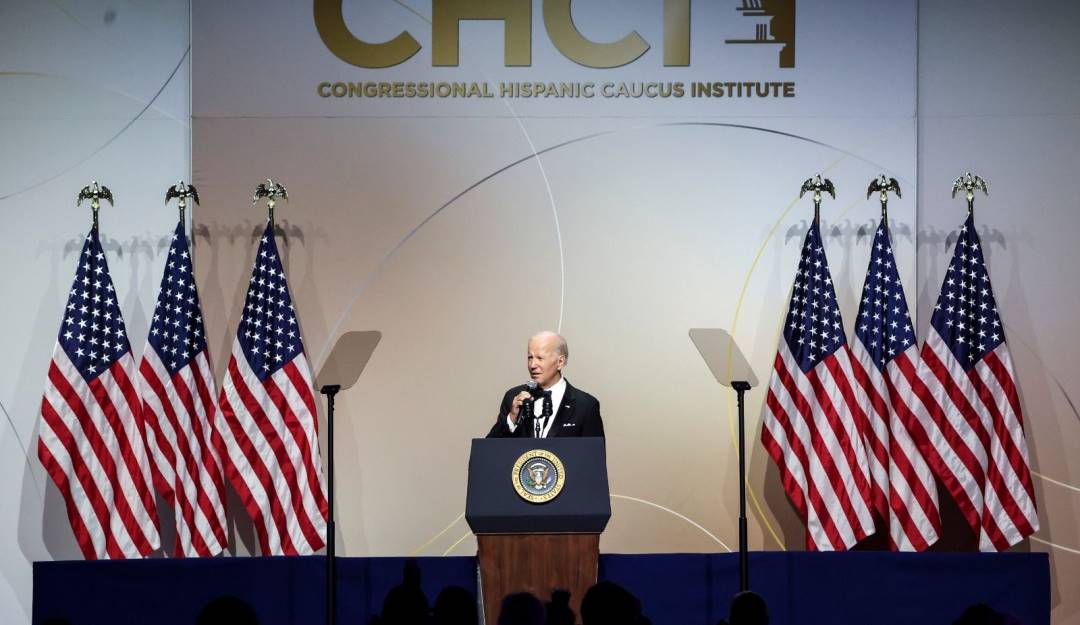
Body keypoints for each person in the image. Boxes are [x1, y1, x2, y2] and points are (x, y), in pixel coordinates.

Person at [486, 331, 604, 438]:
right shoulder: (513, 397)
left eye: (540, 358)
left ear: (560, 362)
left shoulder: (586, 406)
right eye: (530, 357)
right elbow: (490, 451)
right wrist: (511, 419)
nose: (532, 365)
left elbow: (593, 458)